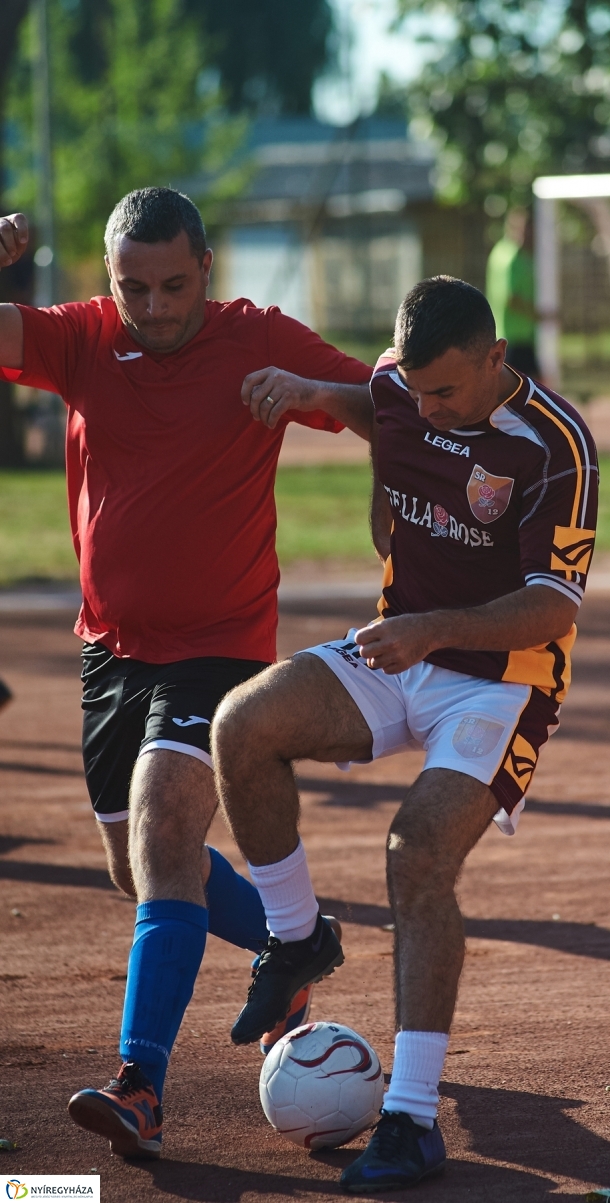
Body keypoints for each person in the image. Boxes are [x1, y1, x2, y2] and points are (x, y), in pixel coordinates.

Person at [0, 187, 374, 1159]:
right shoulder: (81, 337)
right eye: (134, 288)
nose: (155, 307)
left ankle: (141, 1086)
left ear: (206, 269)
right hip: (110, 649)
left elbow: (387, 406)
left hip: (221, 644)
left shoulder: (260, 337)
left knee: (167, 827)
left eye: (173, 285)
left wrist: (311, 392)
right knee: (137, 867)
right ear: (109, 278)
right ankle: (294, 947)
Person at [212, 275, 598, 1192]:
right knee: (242, 724)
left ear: (497, 357)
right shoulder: (399, 385)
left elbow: (553, 605)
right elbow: (376, 403)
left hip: (501, 681)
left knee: (416, 852)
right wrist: (309, 392)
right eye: (416, 391)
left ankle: (413, 1119)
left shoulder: (555, 443)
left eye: (447, 392)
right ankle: (297, 938)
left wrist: (432, 629)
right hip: (401, 645)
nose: (427, 410)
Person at [485, 206, 543, 380]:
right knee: (527, 385)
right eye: (525, 229)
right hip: (513, 336)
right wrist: (539, 315)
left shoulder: (512, 253)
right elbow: (511, 298)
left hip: (522, 335)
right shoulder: (510, 256)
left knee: (533, 384)